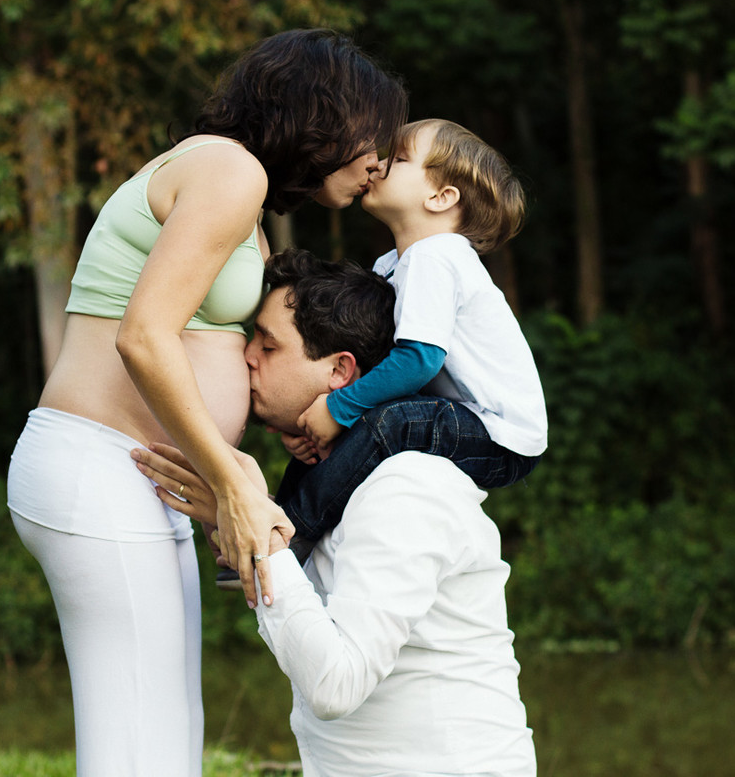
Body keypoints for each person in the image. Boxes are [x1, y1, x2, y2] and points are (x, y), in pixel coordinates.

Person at [5, 30, 407, 776]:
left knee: (166, 736)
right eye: (373, 133)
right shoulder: (227, 170)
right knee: (137, 747)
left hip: (132, 476)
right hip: (97, 466)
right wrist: (230, 480)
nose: (382, 161)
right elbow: (145, 337)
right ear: (324, 113)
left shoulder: (231, 183)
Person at [134, 249, 537, 776]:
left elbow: (334, 684)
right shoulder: (329, 482)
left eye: (268, 344)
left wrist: (261, 531)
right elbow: (297, 622)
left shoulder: (407, 486)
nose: (246, 356)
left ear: (340, 370)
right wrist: (234, 518)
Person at [279, 118, 547, 565]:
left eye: (399, 159)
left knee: (390, 422)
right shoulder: (393, 263)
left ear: (441, 198)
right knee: (374, 413)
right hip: (455, 414)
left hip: (500, 434)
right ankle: (274, 516)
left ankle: (291, 535)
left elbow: (418, 361)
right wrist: (310, 422)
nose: (379, 165)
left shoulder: (437, 256)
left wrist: (339, 409)